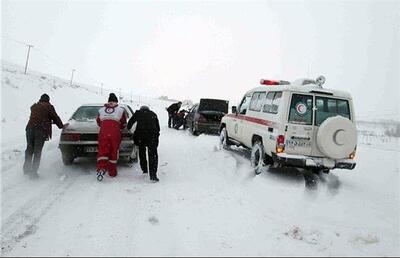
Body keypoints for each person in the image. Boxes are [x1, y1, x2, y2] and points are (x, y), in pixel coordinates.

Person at [24, 93, 64, 178]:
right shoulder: (49, 107)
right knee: (37, 151)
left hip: (29, 129)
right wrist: (62, 126)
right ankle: (33, 173)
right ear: (48, 100)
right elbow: (55, 117)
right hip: (40, 130)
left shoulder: (34, 107)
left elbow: (39, 116)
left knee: (29, 148)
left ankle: (26, 168)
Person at [96, 93, 127, 180]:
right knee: (113, 151)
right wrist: (118, 126)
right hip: (115, 133)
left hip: (103, 133)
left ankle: (101, 168)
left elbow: (98, 122)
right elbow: (124, 123)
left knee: (103, 151)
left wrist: (105, 125)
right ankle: (112, 172)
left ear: (108, 101)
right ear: (116, 102)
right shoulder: (120, 110)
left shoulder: (101, 110)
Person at [127, 105, 160, 182]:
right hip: (152, 137)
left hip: (141, 136)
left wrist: (129, 128)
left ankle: (144, 170)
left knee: (142, 152)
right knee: (153, 156)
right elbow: (158, 128)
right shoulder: (153, 114)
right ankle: (153, 176)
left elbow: (130, 123)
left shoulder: (138, 113)